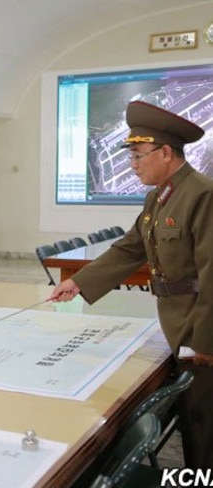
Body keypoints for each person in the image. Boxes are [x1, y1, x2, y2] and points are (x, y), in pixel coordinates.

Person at [51, 100, 213, 468]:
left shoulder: (202, 194)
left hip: (198, 328)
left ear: (166, 152)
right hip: (178, 322)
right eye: (132, 156)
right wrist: (78, 281)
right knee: (193, 420)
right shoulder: (160, 197)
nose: (133, 164)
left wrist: (206, 339)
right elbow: (130, 248)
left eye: (139, 155)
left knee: (204, 426)